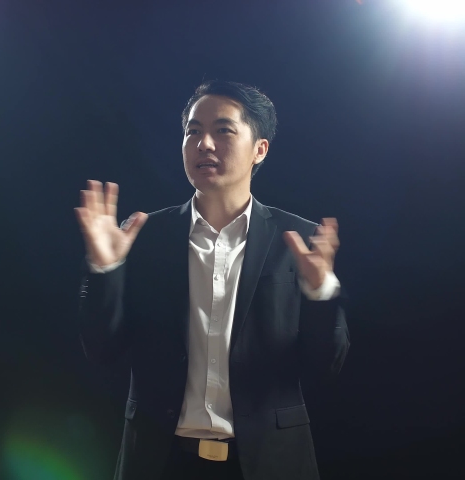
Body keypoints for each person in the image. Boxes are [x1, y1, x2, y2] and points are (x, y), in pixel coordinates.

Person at [75, 80, 350, 480]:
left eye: (223, 130)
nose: (203, 143)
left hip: (269, 463)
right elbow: (101, 351)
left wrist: (320, 292)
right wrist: (105, 269)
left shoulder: (300, 241)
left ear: (260, 149)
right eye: (193, 131)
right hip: (160, 461)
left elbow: (327, 367)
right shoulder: (144, 237)